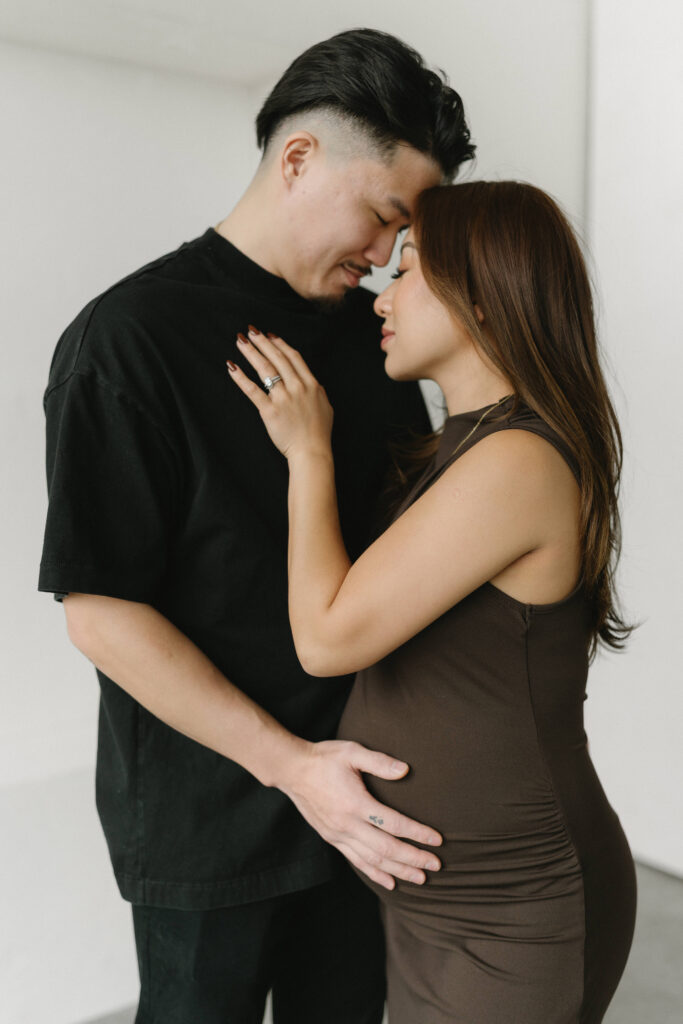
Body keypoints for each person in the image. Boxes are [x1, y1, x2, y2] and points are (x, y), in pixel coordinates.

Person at [37, 28, 476, 1024]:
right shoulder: (128, 341)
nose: (382, 257)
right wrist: (291, 768)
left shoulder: (376, 344)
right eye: (381, 217)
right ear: (297, 158)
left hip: (363, 806)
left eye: (401, 242)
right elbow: (102, 614)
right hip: (206, 820)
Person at [228, 180, 638, 1023]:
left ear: (482, 299)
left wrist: (307, 453)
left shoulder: (516, 460)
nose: (386, 288)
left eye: (411, 267)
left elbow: (327, 637)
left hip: (517, 909)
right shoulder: (464, 445)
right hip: (443, 907)